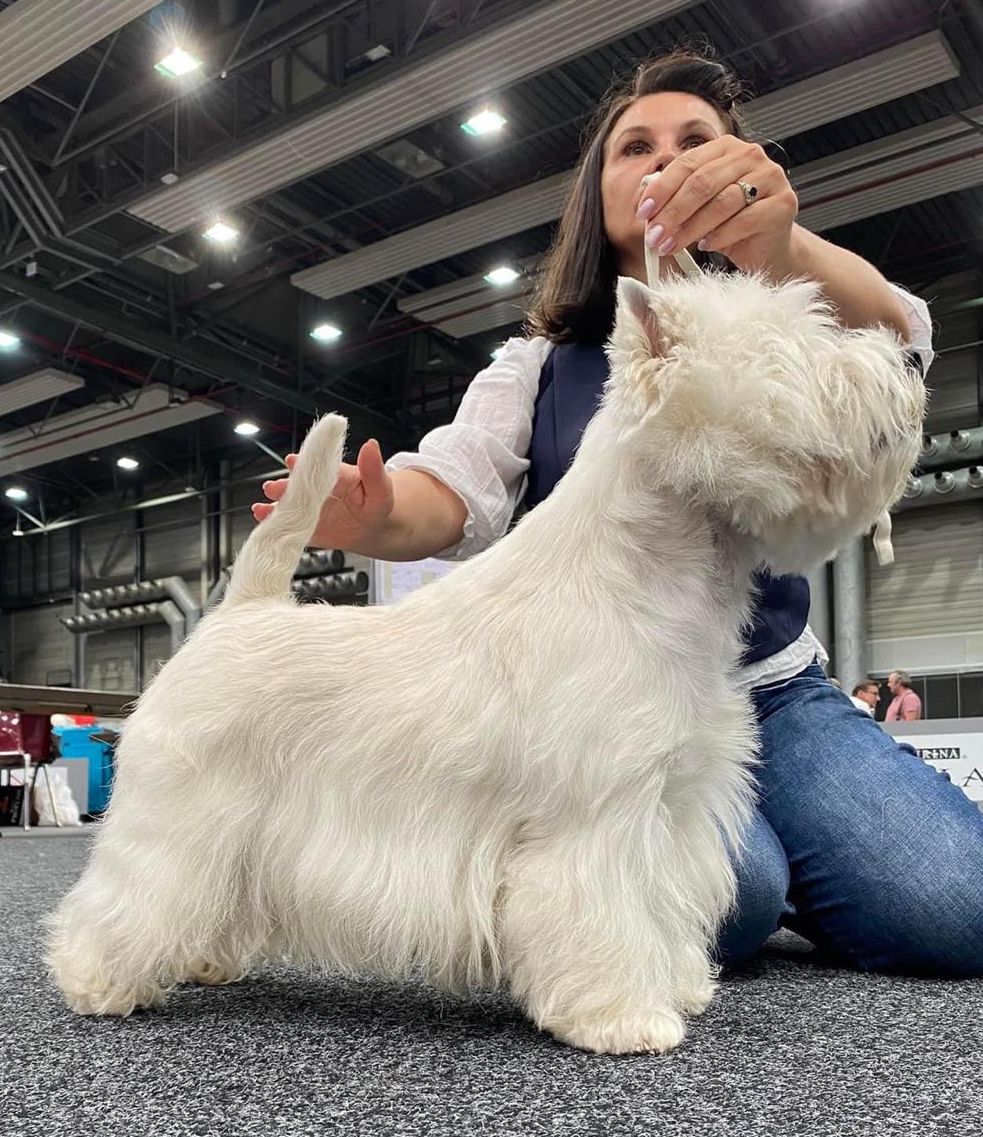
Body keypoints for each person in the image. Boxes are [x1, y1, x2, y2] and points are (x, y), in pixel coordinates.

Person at [255, 50, 983, 976]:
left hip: (772, 683)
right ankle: (793, 868)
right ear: (597, 196)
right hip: (606, 686)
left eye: (695, 141)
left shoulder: (785, 304)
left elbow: (898, 343)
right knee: (729, 901)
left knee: (959, 905)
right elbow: (454, 487)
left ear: (742, 165)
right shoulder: (539, 362)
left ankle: (804, 853)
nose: (664, 159)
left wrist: (783, 245)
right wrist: (374, 510)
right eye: (633, 146)